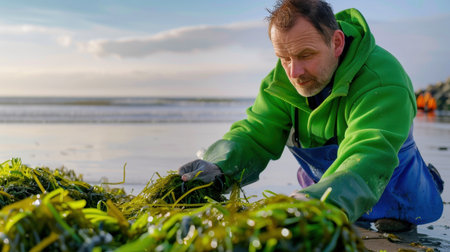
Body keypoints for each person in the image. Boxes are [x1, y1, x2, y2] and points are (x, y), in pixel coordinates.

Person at [178, 0, 444, 232]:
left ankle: (430, 182)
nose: (294, 72)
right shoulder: (282, 80)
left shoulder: (383, 79)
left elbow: (370, 152)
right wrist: (217, 166)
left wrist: (319, 203)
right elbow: (256, 134)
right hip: (322, 178)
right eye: (284, 57)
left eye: (306, 55)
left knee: (395, 217)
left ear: (337, 42)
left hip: (389, 180)